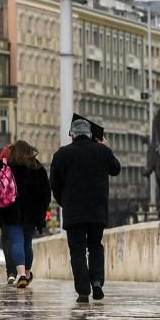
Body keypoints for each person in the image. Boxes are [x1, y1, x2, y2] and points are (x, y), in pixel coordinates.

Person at [51, 115, 121, 303]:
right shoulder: (102, 151)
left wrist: (64, 201)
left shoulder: (61, 154)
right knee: (95, 246)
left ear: (72, 135)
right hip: (97, 210)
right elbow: (116, 169)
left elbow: (55, 184)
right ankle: (97, 281)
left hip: (74, 211)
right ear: (90, 134)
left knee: (78, 250)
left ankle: (83, 291)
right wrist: (105, 148)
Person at [0, 139, 51, 288]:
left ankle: (21, 274)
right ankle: (27, 273)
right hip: (31, 213)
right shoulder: (37, 167)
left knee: (16, 241)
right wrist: (41, 212)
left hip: (10, 211)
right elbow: (46, 193)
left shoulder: (4, 165)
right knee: (26, 243)